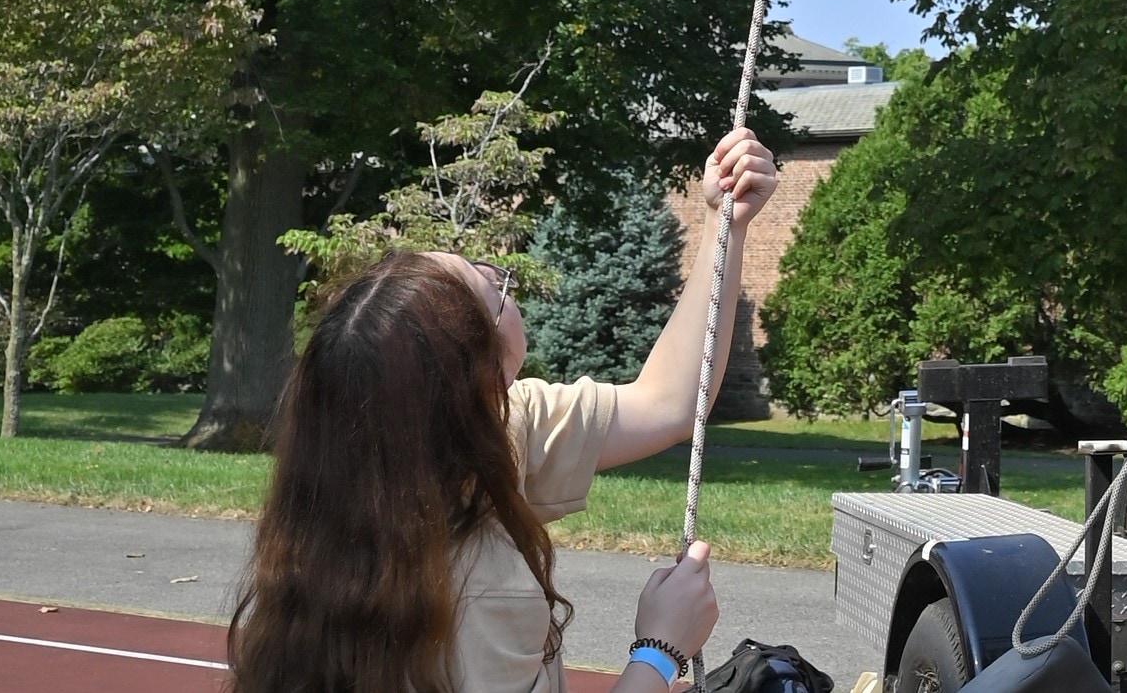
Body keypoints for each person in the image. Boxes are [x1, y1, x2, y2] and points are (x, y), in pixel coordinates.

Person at [226, 128, 780, 693]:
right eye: (494, 286)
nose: (501, 277)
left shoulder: (406, 449)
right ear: (486, 373)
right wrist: (659, 651)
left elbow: (669, 402)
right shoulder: (480, 594)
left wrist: (722, 224)